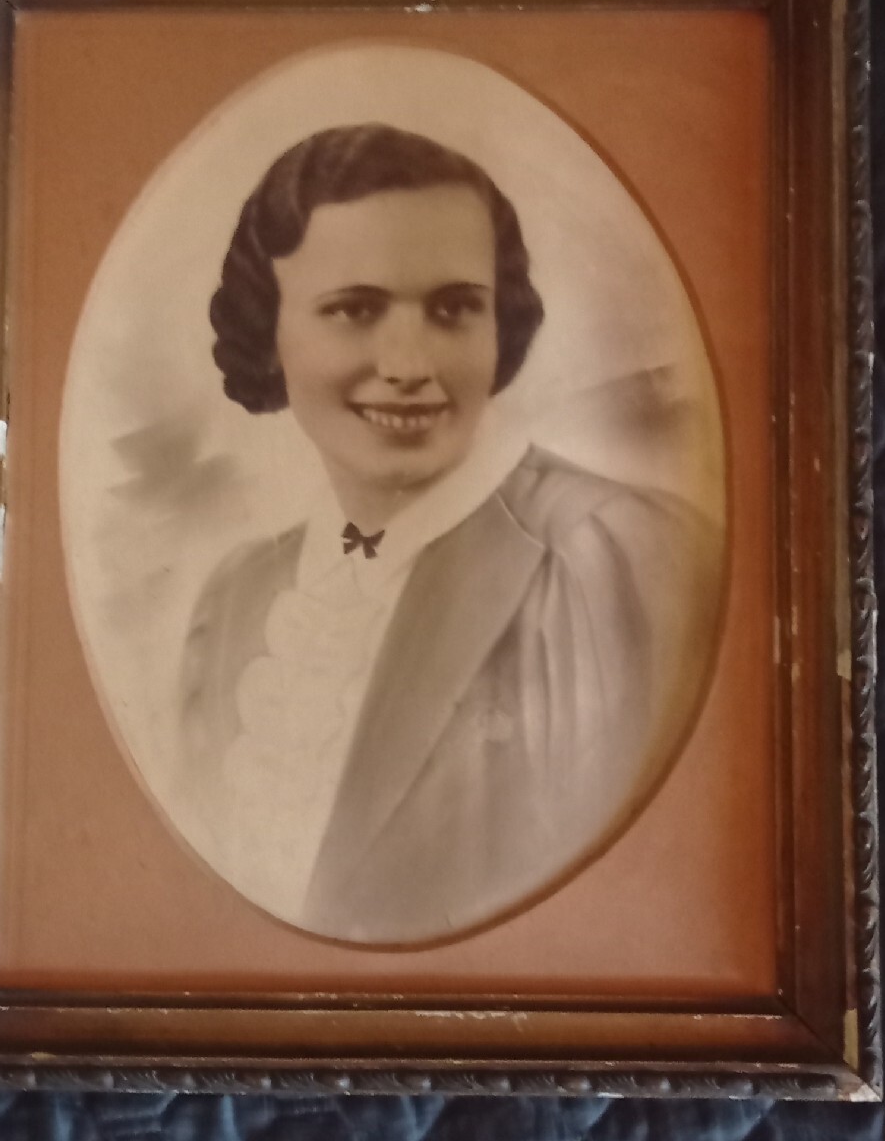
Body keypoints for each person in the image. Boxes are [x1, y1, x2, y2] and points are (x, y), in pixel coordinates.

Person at [179, 123, 723, 944]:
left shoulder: (606, 554)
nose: (410, 364)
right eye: (355, 310)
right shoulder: (237, 599)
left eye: (454, 309)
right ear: (270, 328)